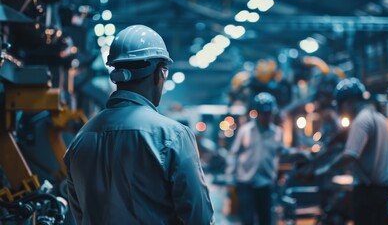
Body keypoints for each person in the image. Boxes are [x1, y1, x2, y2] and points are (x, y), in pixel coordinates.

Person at [64, 25, 214, 225]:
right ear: (159, 74)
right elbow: (199, 218)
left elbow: (79, 215)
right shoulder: (173, 136)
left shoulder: (80, 140)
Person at [313, 77, 388, 225]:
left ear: (348, 102)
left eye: (340, 105)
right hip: (383, 191)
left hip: (368, 193)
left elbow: (350, 155)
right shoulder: (379, 118)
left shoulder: (360, 121)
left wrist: (326, 168)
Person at [226, 92, 305, 225]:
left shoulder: (277, 133)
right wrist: (230, 178)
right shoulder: (245, 131)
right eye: (263, 113)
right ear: (257, 113)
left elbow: (283, 151)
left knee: (266, 220)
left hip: (266, 184)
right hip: (246, 183)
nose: (266, 117)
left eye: (269, 113)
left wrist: (300, 154)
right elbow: (234, 154)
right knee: (247, 220)